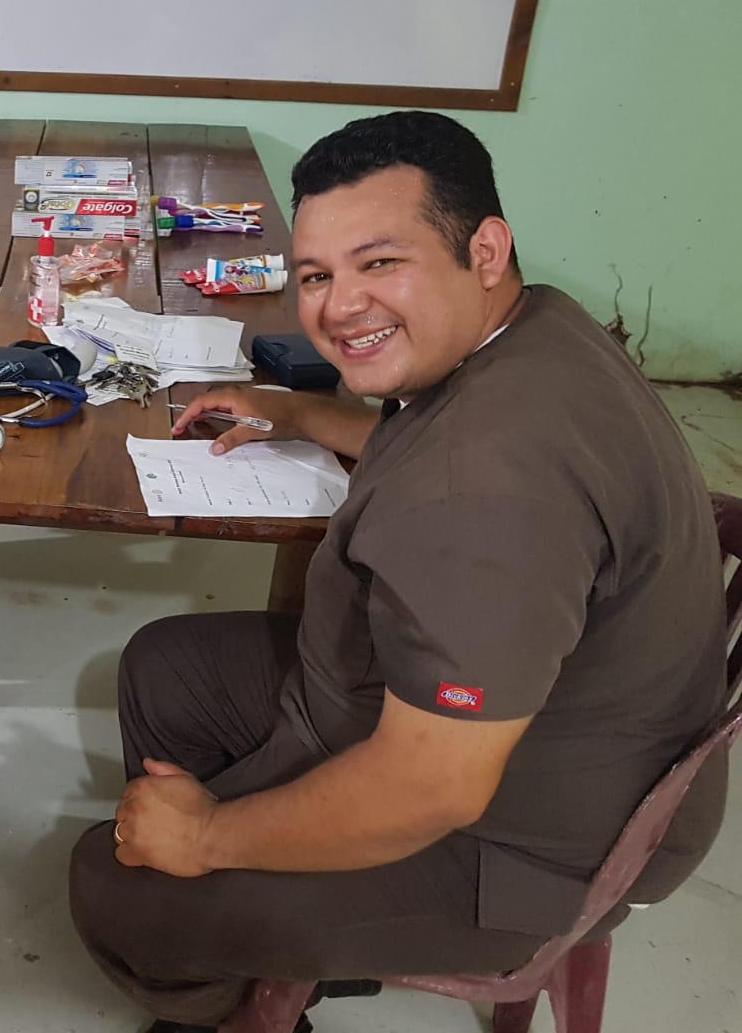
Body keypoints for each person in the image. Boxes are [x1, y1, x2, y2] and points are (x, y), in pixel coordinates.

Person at [67, 111, 729, 1032]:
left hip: (520, 842)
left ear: (484, 249)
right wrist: (300, 414)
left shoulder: (486, 498)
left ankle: (230, 993)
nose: (340, 307)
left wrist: (207, 837)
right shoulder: (534, 326)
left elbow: (433, 786)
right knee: (163, 666)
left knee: (117, 886)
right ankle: (249, 908)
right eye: (317, 276)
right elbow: (433, 433)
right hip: (517, 724)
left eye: (380, 263)